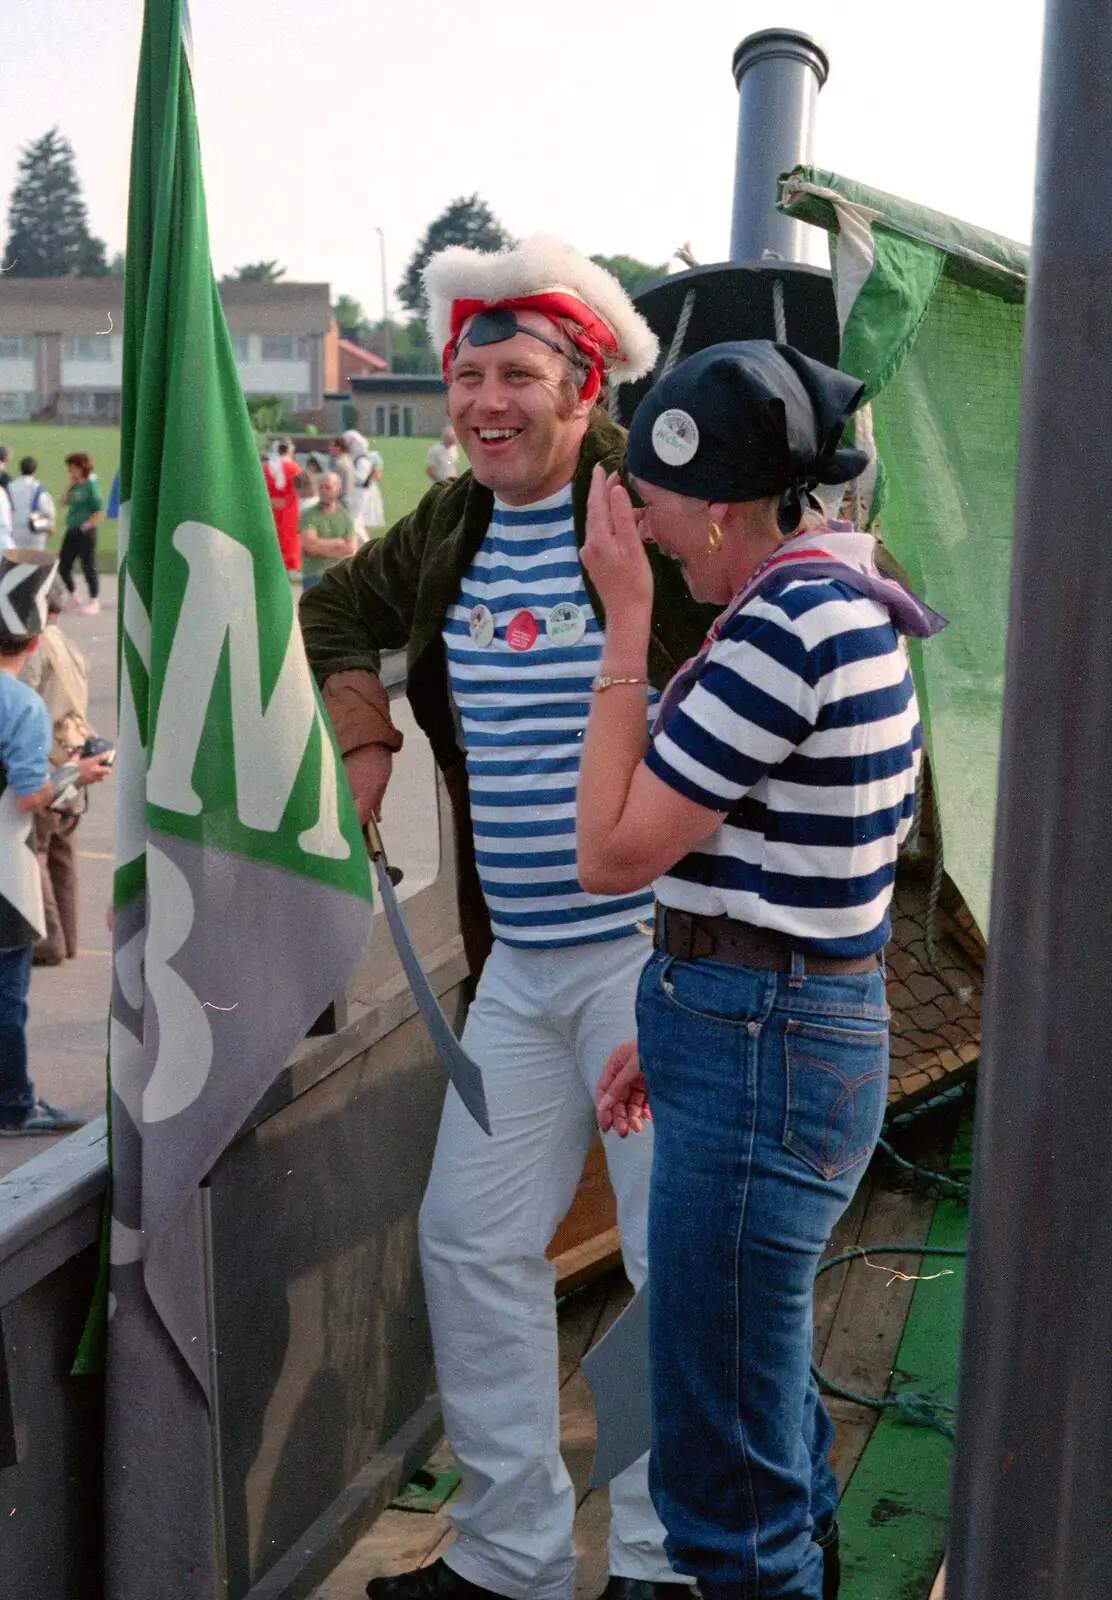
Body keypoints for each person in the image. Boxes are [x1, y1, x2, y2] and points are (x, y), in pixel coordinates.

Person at [300, 234, 711, 1600]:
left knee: (671, 1260)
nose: (485, 400)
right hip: (521, 966)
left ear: (583, 385)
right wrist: (365, 740)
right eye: (469, 371)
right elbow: (335, 598)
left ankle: (664, 1560)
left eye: (518, 372)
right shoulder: (451, 525)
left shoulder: (653, 505)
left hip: (656, 958)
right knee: (470, 1240)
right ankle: (515, 1558)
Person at [574, 342, 945, 1600]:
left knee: (721, 1480)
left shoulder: (786, 625)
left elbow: (610, 852)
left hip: (762, 1039)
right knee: (759, 1402)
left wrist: (624, 621)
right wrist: (674, 1020)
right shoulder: (830, 597)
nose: (642, 528)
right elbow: (774, 868)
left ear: (717, 502)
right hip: (754, 1026)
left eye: (650, 502)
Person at [0, 551, 111, 1135]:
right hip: (3, 870)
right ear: (36, 635)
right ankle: (12, 1104)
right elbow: (28, 795)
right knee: (8, 999)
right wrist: (79, 774)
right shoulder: (20, 705)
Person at [22, 580, 102, 965]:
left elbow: (27, 704)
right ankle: (68, 937)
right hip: (73, 761)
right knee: (63, 853)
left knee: (36, 849)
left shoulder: (36, 650)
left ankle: (49, 938)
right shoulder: (70, 647)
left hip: (49, 765)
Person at [57, 451, 104, 615]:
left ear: (80, 467)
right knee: (63, 565)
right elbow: (63, 502)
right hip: (72, 529)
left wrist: (88, 524)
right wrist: (69, 485)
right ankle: (74, 595)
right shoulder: (75, 484)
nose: (71, 472)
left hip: (86, 531)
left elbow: (99, 510)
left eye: (72, 468)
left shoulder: (91, 484)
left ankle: (94, 600)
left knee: (88, 565)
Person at [299, 471, 357, 589]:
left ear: (338, 490)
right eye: (321, 487)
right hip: (313, 575)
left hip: (338, 577)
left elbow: (351, 549)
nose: (323, 491)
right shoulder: (308, 514)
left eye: (328, 487)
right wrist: (337, 543)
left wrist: (319, 545)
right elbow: (309, 547)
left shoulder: (345, 517)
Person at [263, 437, 302, 573]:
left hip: (270, 507)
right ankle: (290, 567)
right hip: (289, 508)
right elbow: (299, 489)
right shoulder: (295, 468)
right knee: (289, 537)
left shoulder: (267, 467)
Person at [342, 429, 383, 542]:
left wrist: (346, 474)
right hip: (354, 493)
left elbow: (360, 478)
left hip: (359, 494)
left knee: (354, 522)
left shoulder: (363, 460)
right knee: (356, 522)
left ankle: (365, 546)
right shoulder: (354, 458)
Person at [7, 456, 56, 549]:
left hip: (14, 533)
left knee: (14, 562)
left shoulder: (10, 488)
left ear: (20, 469)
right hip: (34, 534)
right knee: (33, 562)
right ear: (35, 470)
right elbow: (48, 511)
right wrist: (51, 527)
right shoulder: (38, 488)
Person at [328, 435, 356, 514]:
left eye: (331, 446)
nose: (329, 448)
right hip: (347, 498)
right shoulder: (347, 460)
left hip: (340, 501)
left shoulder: (339, 464)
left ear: (338, 448)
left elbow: (333, 485)